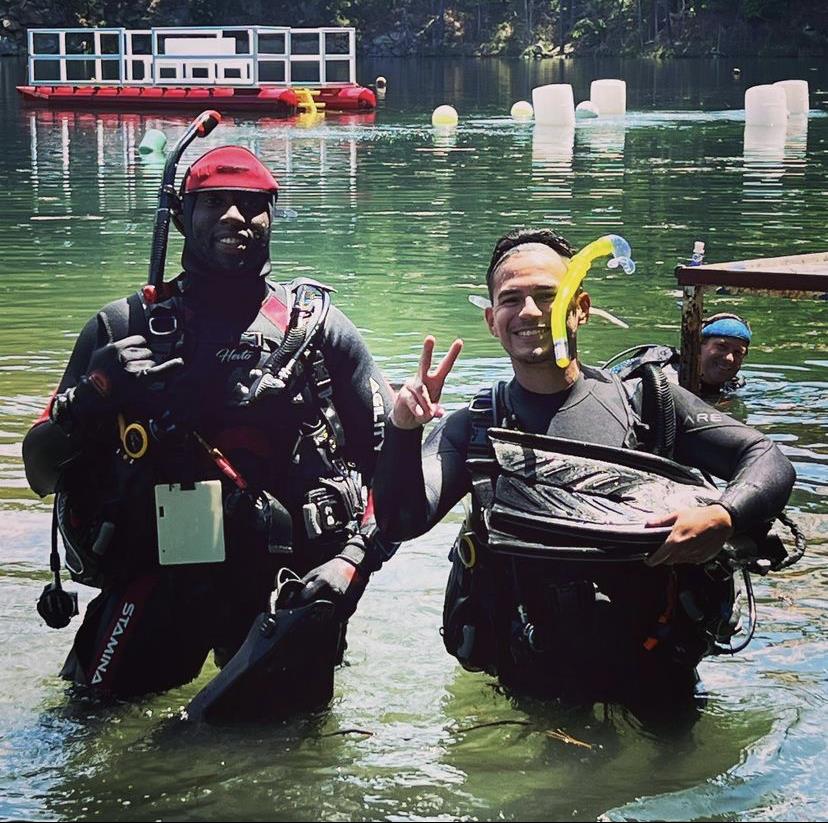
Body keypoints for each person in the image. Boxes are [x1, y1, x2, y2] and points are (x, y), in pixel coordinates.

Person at [23, 145, 394, 702]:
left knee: (289, 754)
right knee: (91, 730)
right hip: (156, 571)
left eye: (250, 204)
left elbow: (390, 470)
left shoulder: (318, 332)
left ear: (271, 216)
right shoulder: (123, 326)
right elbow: (41, 473)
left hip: (282, 580)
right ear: (180, 216)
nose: (233, 217)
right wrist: (92, 396)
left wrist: (351, 561)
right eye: (214, 202)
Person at [373, 227, 795, 709]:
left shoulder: (648, 402)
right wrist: (402, 429)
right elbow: (399, 520)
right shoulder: (476, 428)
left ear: (581, 307)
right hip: (531, 672)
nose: (529, 312)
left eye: (548, 295)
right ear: (492, 320)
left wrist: (724, 515)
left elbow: (768, 460)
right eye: (511, 299)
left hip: (653, 664)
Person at [609, 312, 752, 398]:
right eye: (721, 347)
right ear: (699, 346)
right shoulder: (663, 382)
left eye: (738, 352)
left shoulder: (733, 384)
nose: (729, 358)